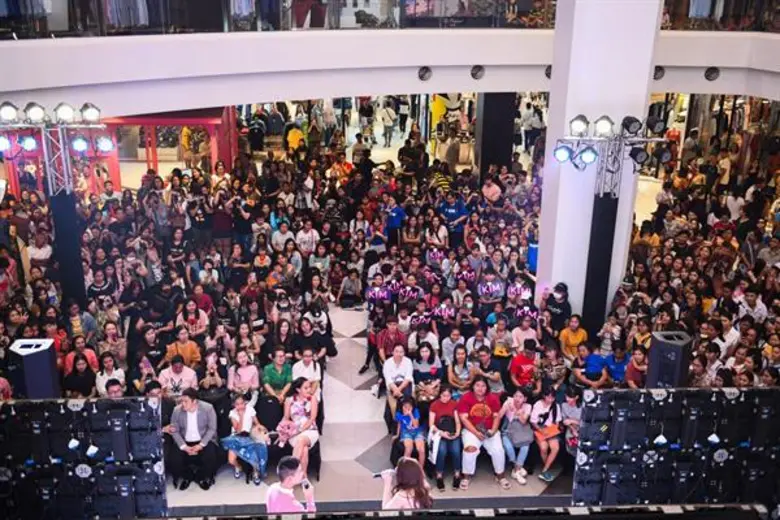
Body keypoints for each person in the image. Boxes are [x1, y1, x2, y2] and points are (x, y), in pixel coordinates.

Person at [457, 377, 510, 490]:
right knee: (469, 449)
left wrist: (493, 431)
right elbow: (464, 419)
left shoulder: (493, 398)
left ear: (487, 387)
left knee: (498, 450)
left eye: (483, 386)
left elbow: (496, 417)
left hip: (490, 430)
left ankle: (500, 476)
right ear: (473, 386)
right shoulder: (465, 398)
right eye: (477, 385)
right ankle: (466, 477)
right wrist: (476, 433)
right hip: (472, 430)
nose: (480, 388)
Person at [168, 388, 220, 490]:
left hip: (203, 440)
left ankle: (202, 476)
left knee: (211, 455)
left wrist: (201, 445)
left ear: (194, 401)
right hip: (185, 440)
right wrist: (184, 446)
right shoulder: (177, 410)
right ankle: (187, 476)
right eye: (181, 401)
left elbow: (212, 429)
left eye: (186, 401)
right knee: (174, 459)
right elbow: (174, 430)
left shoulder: (208, 408)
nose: (183, 404)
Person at [221, 393, 269, 485]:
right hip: (237, 437)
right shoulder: (232, 413)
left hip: (250, 436)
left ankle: (256, 472)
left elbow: (257, 423)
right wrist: (241, 416)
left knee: (256, 452)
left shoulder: (250, 409)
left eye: (242, 403)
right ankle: (238, 466)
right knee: (231, 460)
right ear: (234, 405)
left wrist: (262, 432)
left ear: (245, 402)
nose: (240, 406)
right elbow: (238, 430)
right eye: (237, 404)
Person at [283, 378, 320, 476]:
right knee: (304, 449)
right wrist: (283, 431)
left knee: (301, 440)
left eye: (309, 387)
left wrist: (300, 430)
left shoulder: (313, 399)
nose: (309, 390)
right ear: (298, 389)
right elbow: (286, 418)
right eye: (306, 388)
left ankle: (291, 471)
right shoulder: (289, 400)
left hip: (310, 430)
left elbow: (312, 418)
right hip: (294, 432)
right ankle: (303, 477)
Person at [428, 386, 462, 491]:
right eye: (443, 395)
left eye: (448, 396)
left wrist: (457, 432)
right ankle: (439, 475)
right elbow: (431, 425)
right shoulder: (434, 405)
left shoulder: (454, 404)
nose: (446, 398)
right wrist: (441, 433)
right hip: (439, 432)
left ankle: (457, 473)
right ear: (440, 395)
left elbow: (457, 421)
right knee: (442, 451)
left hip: (452, 431)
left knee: (456, 450)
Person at [498, 389, 533, 485]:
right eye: (516, 396)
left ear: (525, 399)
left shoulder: (528, 406)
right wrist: (505, 407)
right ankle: (517, 468)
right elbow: (499, 416)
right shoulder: (508, 402)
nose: (517, 399)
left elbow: (523, 421)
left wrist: (517, 411)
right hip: (507, 431)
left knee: (525, 446)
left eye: (520, 397)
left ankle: (516, 471)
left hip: (521, 431)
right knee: (508, 447)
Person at [530, 386, 562, 482]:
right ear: (544, 396)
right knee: (544, 448)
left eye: (553, 397)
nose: (551, 400)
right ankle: (547, 467)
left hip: (551, 430)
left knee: (555, 448)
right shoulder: (538, 404)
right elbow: (533, 422)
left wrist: (553, 430)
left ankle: (545, 470)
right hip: (539, 429)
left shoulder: (556, 406)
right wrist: (541, 430)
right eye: (549, 397)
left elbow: (557, 422)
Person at [393, 396, 426, 468]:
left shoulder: (415, 411)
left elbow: (416, 425)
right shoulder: (399, 414)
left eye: (409, 407)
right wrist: (397, 434)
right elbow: (399, 424)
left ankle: (420, 469)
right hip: (406, 432)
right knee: (408, 449)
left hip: (417, 432)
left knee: (421, 450)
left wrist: (410, 415)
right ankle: (405, 469)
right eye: (405, 407)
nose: (407, 409)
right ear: (402, 406)